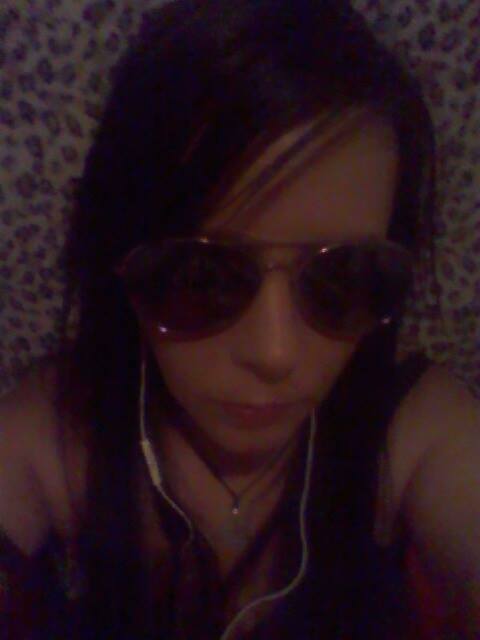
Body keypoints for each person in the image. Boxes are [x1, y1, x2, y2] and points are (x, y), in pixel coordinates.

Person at [0, 0, 479, 638]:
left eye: (343, 276)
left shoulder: (415, 433)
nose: (275, 352)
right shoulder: (55, 437)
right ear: (121, 260)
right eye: (201, 276)